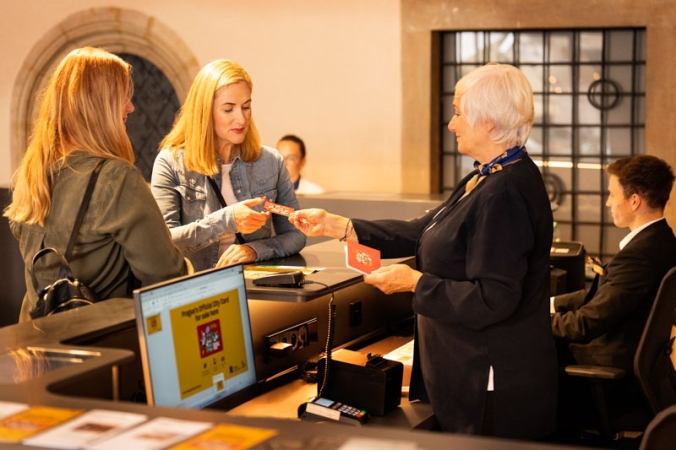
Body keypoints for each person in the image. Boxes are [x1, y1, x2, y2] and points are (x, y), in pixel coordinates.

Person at [289, 63, 557, 439]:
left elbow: (493, 298)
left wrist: (415, 283)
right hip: (463, 365)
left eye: (459, 113)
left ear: (489, 123)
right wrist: (342, 227)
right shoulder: (489, 173)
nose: (452, 124)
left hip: (490, 380)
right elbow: (425, 230)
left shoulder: (504, 192)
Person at [4, 47, 188, 323]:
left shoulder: (33, 176)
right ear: (98, 105)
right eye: (123, 97)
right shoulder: (115, 177)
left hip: (38, 350)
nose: (131, 107)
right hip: (105, 352)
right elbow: (168, 280)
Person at [551, 155, 676, 427]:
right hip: (639, 366)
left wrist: (532, 319)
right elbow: (604, 295)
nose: (608, 202)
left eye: (612, 194)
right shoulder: (662, 241)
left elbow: (584, 325)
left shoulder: (638, 257)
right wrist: (551, 305)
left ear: (634, 200)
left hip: (612, 375)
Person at [152, 60, 305, 272]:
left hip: (255, 288)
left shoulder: (271, 161)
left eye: (246, 107)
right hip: (197, 288)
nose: (241, 119)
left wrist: (254, 250)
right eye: (228, 109)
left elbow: (296, 235)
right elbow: (164, 243)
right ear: (204, 112)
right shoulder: (170, 163)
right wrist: (227, 220)